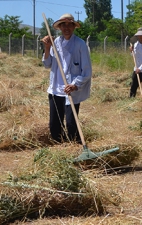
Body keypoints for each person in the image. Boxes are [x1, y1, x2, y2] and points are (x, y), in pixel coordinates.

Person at [41, 13, 92, 143]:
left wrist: (75, 85)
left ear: (74, 27)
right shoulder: (55, 43)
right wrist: (47, 48)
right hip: (55, 90)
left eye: (70, 25)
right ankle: (61, 149)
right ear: (60, 27)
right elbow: (47, 64)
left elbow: (86, 71)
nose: (67, 28)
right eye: (64, 25)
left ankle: (75, 148)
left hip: (71, 91)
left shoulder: (80, 45)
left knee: (71, 125)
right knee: (54, 126)